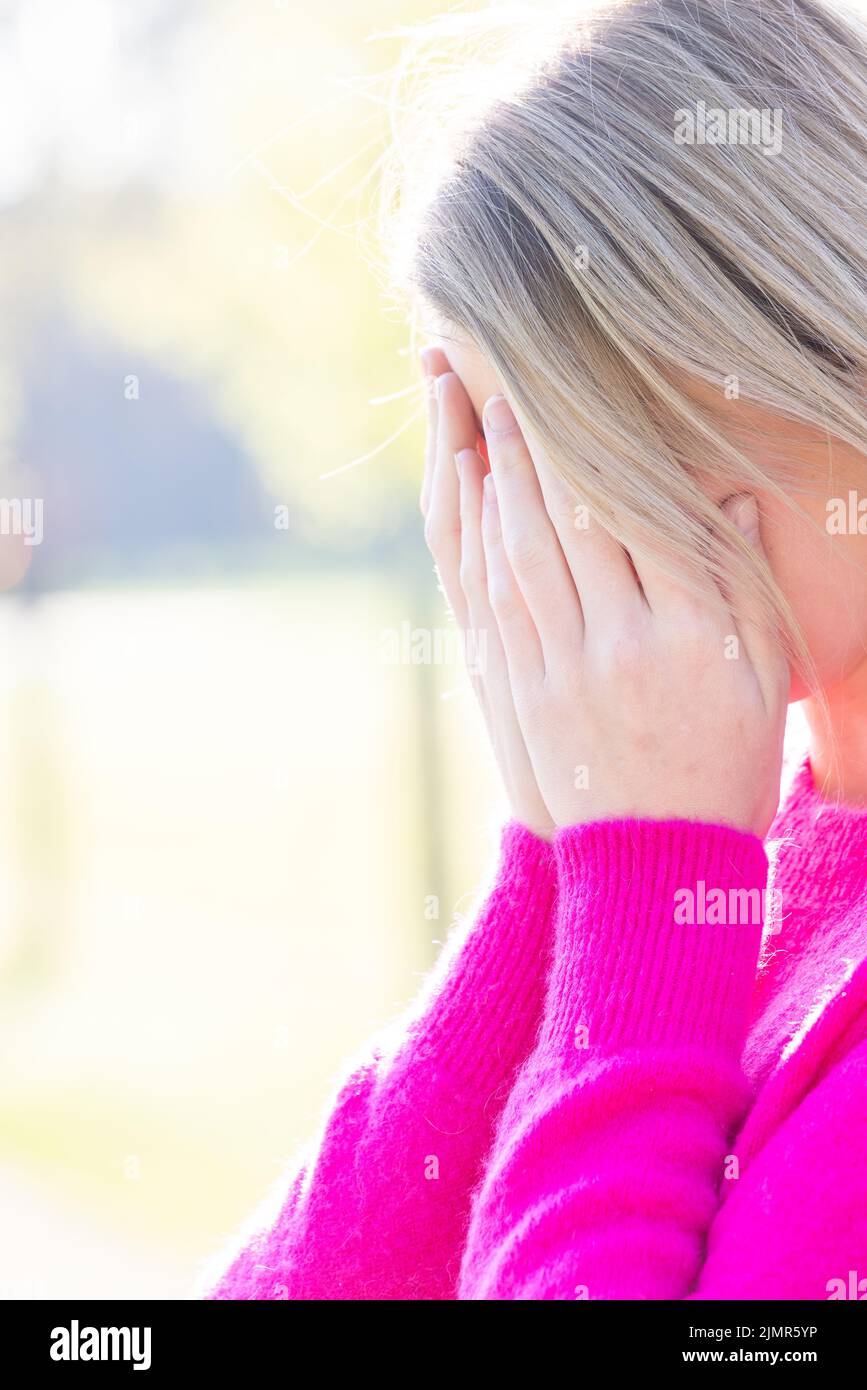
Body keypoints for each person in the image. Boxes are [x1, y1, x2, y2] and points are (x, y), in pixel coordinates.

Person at [201, 0, 867, 1299]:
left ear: (806, 333)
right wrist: (562, 856)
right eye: (509, 469)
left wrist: (640, 886)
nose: (560, 548)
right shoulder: (758, 866)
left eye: (595, 430)